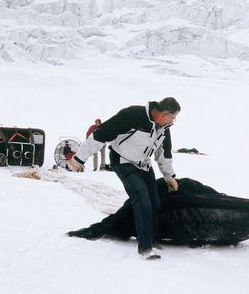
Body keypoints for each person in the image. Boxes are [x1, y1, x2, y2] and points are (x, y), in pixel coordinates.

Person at [67, 98, 181, 260]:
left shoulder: (163, 128)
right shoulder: (132, 115)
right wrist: (78, 159)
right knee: (141, 198)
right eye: (173, 117)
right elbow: (101, 134)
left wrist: (169, 177)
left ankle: (152, 239)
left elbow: (164, 153)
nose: (173, 121)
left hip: (143, 165)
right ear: (164, 114)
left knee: (154, 201)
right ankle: (145, 248)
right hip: (123, 161)